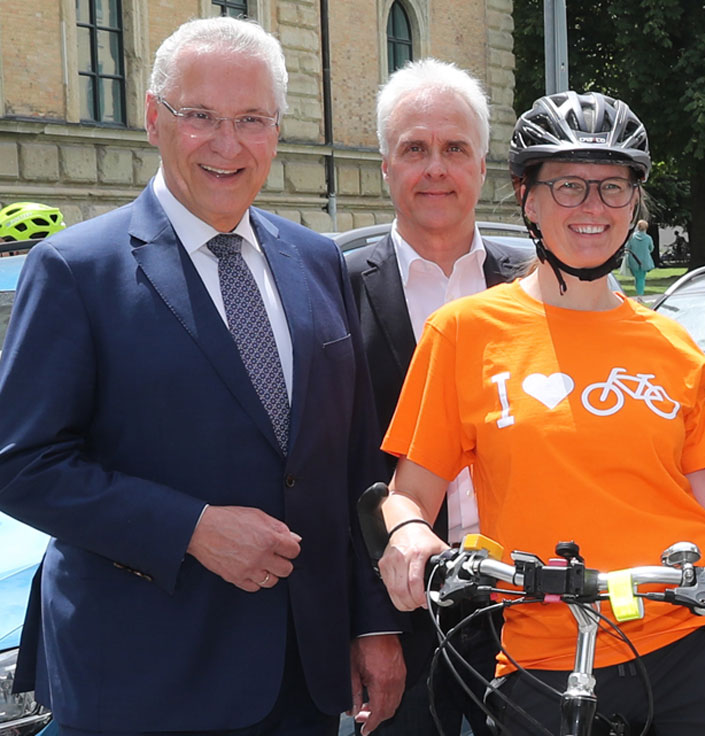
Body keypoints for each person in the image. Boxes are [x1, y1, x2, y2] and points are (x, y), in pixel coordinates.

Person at [0, 17, 403, 735]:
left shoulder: (316, 261)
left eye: (251, 119)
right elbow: (22, 465)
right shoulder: (73, 269)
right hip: (144, 678)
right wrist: (188, 528)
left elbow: (355, 462)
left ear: (276, 131)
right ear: (155, 118)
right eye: (200, 117)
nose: (227, 144)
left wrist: (375, 625)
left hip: (301, 679)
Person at [372, 90, 705, 734]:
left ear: (634, 204)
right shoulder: (466, 332)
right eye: (568, 186)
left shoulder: (672, 344)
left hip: (703, 628)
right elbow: (409, 492)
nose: (593, 207)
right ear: (528, 199)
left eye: (613, 187)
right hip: (546, 649)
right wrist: (407, 535)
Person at [344, 58, 529, 736]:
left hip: (531, 604)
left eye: (455, 149)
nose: (436, 169)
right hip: (401, 611)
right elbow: (334, 471)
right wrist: (368, 624)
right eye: (414, 149)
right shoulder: (334, 291)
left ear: (483, 166)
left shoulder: (542, 284)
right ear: (385, 165)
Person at [624, 218, 656, 294]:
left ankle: (638, 292)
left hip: (633, 260)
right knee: (641, 278)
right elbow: (651, 248)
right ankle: (640, 294)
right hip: (644, 261)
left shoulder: (632, 237)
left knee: (637, 277)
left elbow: (627, 247)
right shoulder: (648, 238)